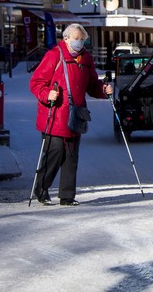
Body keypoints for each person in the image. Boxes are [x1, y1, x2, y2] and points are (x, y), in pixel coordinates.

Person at [29, 23, 113, 206]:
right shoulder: (54, 56)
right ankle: (41, 190)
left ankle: (67, 196)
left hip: (76, 113)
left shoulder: (86, 59)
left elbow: (92, 85)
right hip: (55, 113)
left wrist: (103, 90)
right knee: (55, 152)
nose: (79, 42)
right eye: (76, 39)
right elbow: (36, 82)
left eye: (82, 39)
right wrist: (46, 94)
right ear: (65, 39)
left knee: (71, 156)